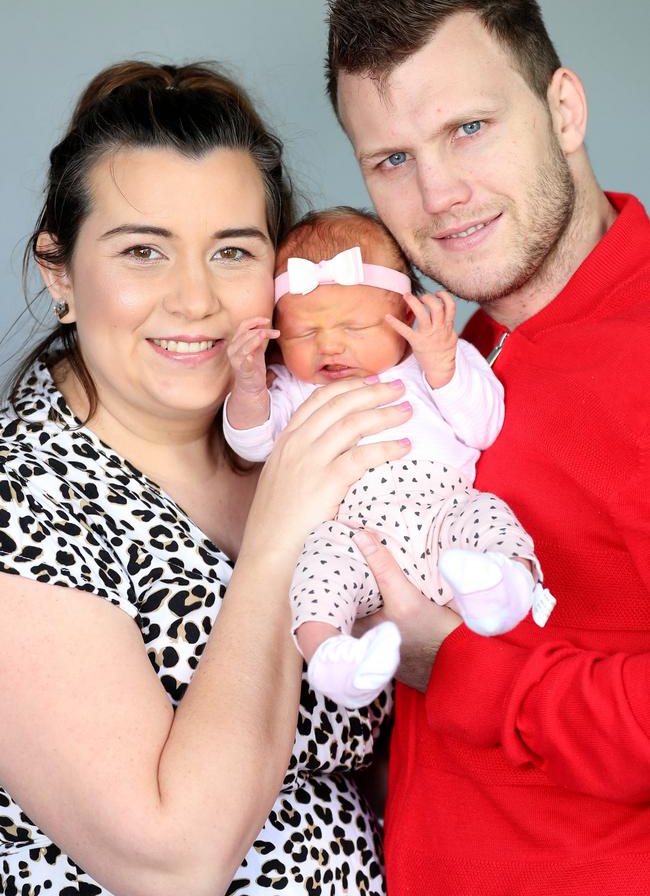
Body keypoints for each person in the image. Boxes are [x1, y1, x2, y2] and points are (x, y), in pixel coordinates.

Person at [0, 61, 413, 895]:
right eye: (143, 252)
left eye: (231, 251)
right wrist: (271, 547)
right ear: (59, 273)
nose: (195, 300)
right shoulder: (23, 494)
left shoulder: (297, 438)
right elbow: (170, 861)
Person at [325, 0, 650, 895]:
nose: (437, 198)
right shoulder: (442, 363)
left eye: (469, 128)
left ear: (564, 108)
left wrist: (453, 667)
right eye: (391, 158)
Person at [223, 206, 553, 710]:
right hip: (350, 538)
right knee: (315, 576)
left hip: (441, 511)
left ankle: (500, 587)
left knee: (486, 515)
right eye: (304, 334)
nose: (329, 345)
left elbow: (483, 426)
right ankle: (333, 657)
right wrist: (248, 387)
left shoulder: (432, 363)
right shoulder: (290, 388)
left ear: (404, 316)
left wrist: (443, 367)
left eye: (353, 327)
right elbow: (253, 442)